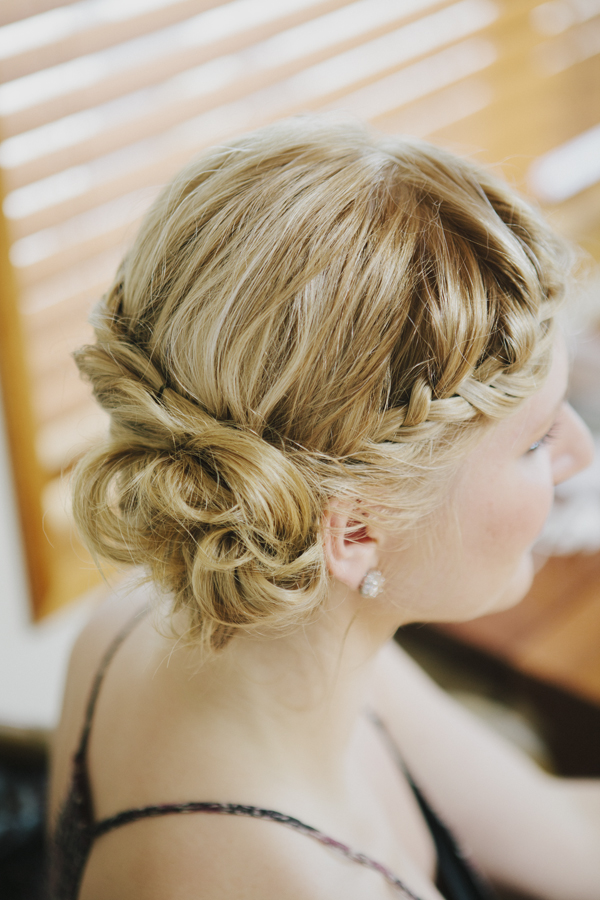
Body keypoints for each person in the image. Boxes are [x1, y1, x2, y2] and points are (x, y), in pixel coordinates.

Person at [48, 117, 600, 900]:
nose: (579, 452)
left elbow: (566, 835)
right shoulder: (272, 881)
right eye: (537, 440)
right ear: (356, 528)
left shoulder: (194, 624)